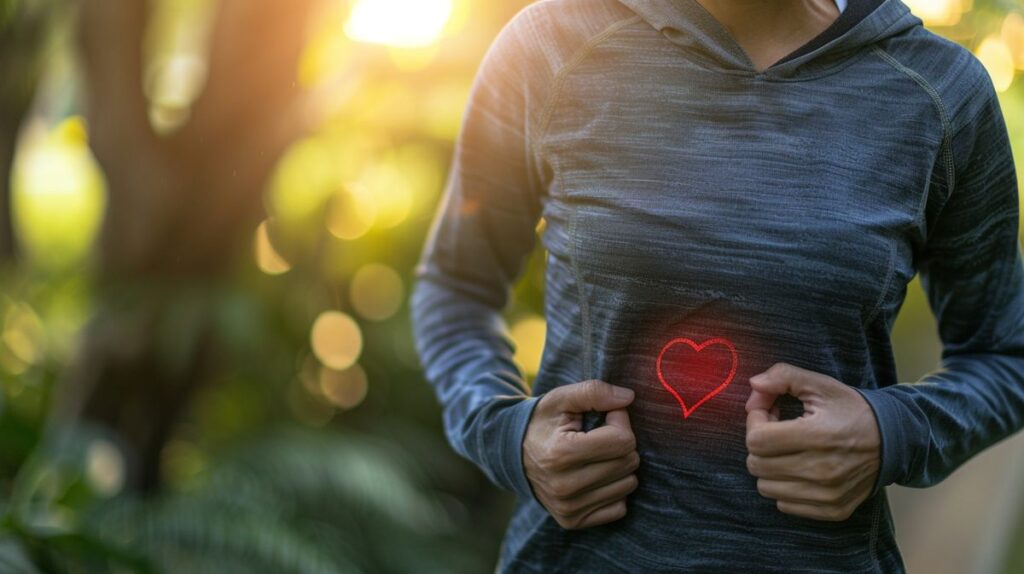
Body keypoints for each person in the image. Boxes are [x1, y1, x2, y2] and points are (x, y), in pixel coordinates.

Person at [410, 0, 1024, 571]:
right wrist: (506, 435)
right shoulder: (549, 45)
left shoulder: (941, 95)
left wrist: (894, 431)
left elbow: (1006, 353)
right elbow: (455, 286)